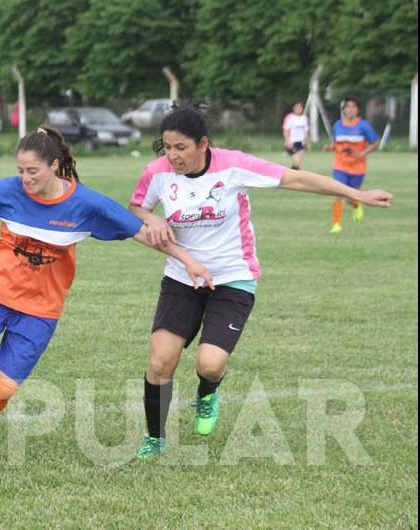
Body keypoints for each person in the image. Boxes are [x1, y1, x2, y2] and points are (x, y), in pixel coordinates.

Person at [0, 126, 212, 459]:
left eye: (33, 171)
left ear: (54, 166)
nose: (26, 179)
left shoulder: (86, 204)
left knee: (7, 387)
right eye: (20, 171)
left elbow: (140, 231)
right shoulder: (9, 191)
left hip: (41, 308)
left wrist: (187, 261)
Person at [129, 105, 393, 458]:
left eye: (181, 148)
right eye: (167, 147)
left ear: (203, 143)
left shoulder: (234, 165)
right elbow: (136, 207)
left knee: (210, 363)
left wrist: (355, 194)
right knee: (161, 362)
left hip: (233, 278)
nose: (172, 156)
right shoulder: (157, 173)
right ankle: (155, 438)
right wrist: (152, 219)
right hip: (181, 278)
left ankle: (207, 394)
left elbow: (297, 179)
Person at [323, 96, 380, 234]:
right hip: (340, 166)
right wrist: (330, 147)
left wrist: (362, 154)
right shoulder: (338, 125)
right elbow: (338, 143)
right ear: (344, 109)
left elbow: (375, 143)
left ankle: (356, 205)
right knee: (337, 193)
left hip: (357, 167)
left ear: (358, 110)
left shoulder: (363, 126)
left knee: (351, 197)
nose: (350, 109)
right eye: (348, 106)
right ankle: (337, 224)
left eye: (353, 107)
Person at [282, 101, 310, 170]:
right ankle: (290, 175)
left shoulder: (304, 118)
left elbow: (306, 132)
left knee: (298, 165)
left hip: (300, 143)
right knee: (296, 162)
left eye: (300, 107)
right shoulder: (289, 117)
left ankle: (295, 177)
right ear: (293, 108)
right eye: (296, 107)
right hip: (292, 143)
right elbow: (285, 130)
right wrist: (287, 141)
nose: (298, 109)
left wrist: (307, 143)